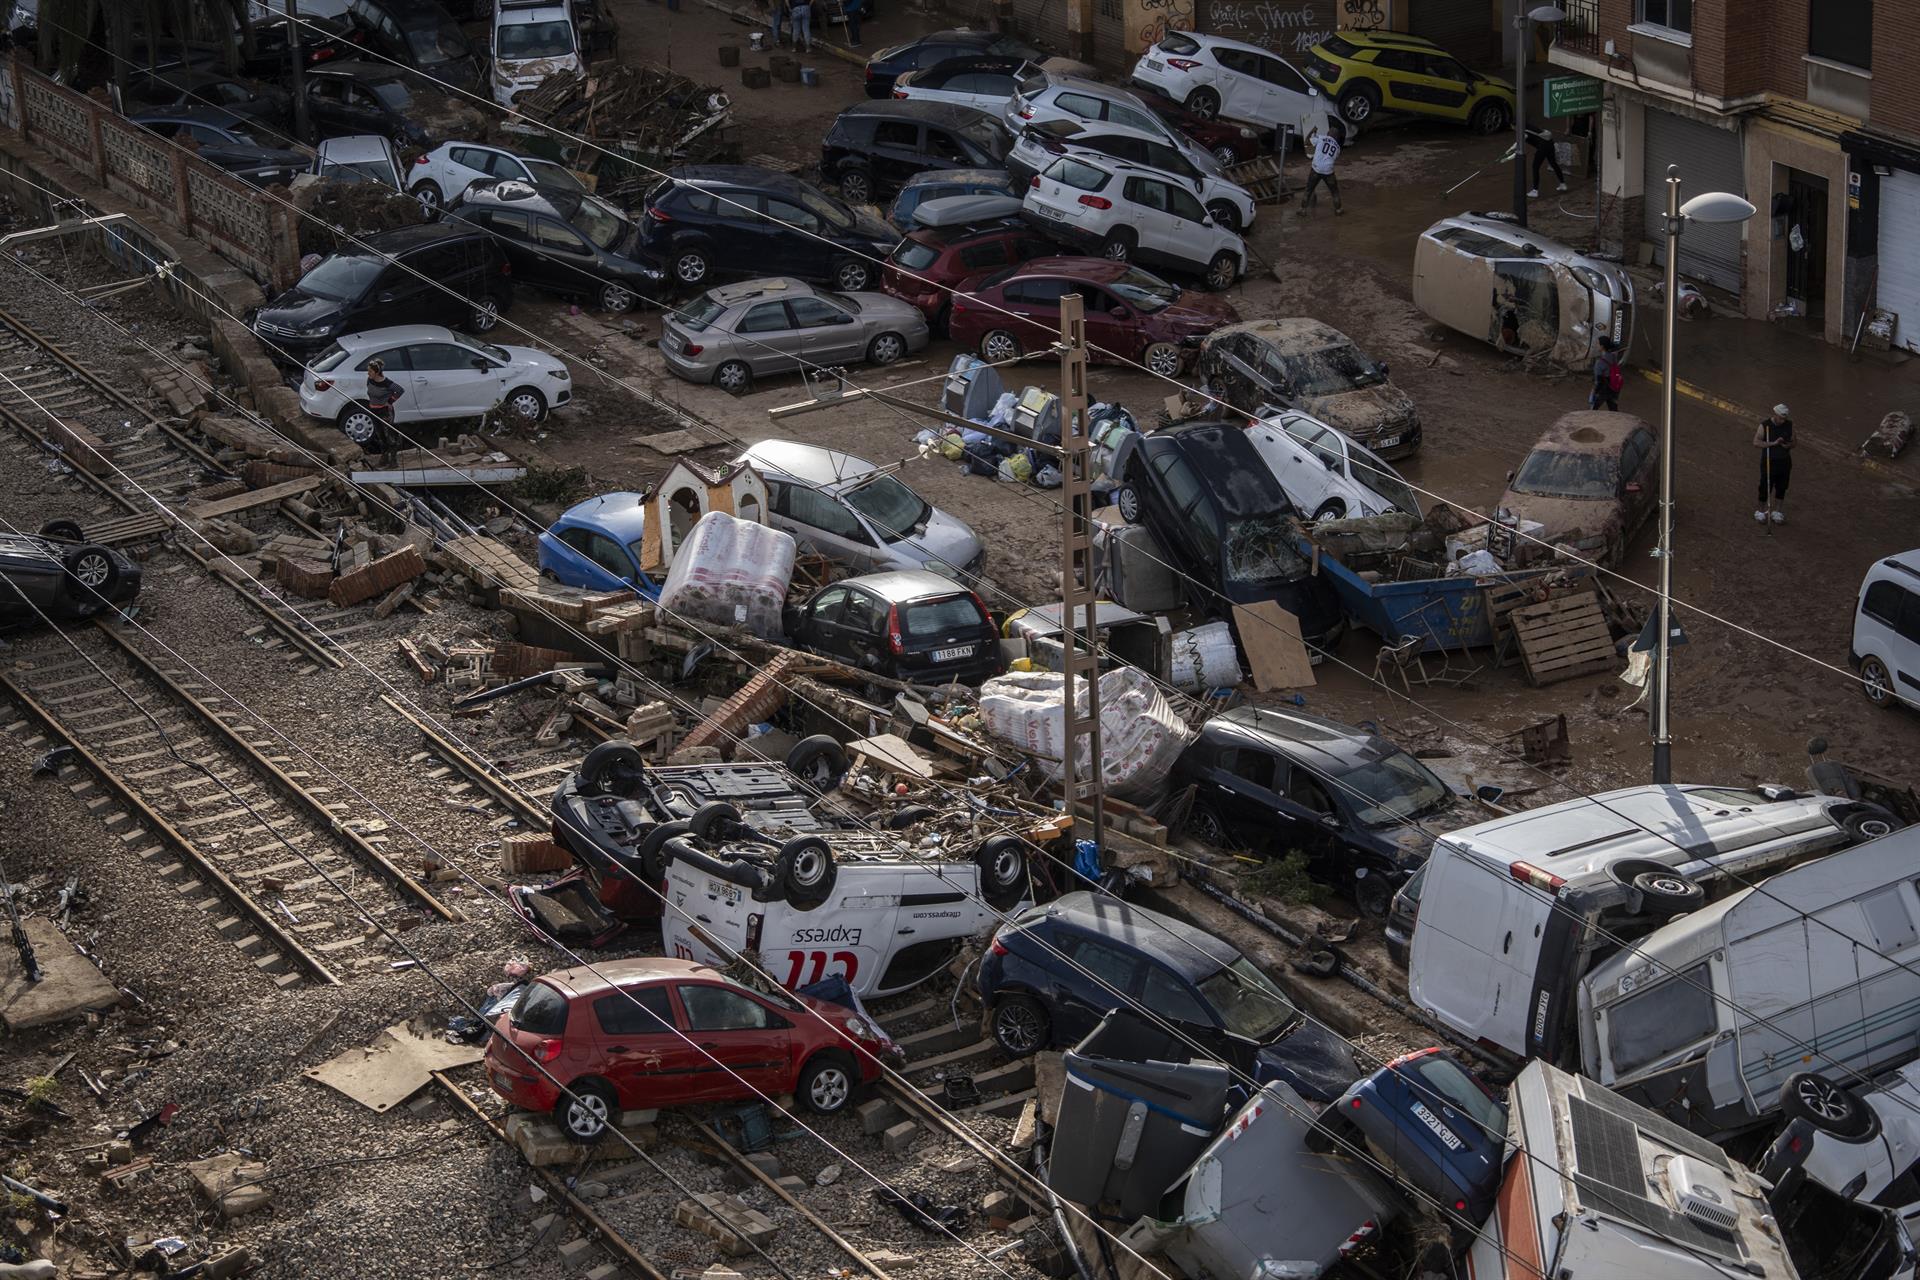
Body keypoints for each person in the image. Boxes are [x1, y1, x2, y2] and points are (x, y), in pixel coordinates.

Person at [1754, 403, 1794, 524]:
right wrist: (1773, 443)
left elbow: (1794, 443)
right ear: (1775, 414)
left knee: (1782, 487)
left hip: (1784, 462)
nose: (1783, 420)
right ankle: (1760, 511)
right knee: (1765, 487)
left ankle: (1777, 512)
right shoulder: (1765, 425)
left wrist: (1787, 445)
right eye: (1781, 418)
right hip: (1769, 461)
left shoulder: (1789, 425)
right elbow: (1756, 442)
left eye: (1784, 418)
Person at [1296, 118, 1343, 217]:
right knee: (1334, 191)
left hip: (1316, 169)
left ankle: (1302, 209)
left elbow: (1307, 142)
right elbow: (1333, 157)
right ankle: (1338, 210)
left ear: (1328, 133)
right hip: (1328, 171)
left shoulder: (1321, 138)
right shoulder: (1338, 148)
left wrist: (1312, 131)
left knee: (1309, 189)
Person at [365, 357, 405, 464]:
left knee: (389, 437)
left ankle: (393, 460)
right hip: (373, 410)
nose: (368, 373)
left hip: (384, 412)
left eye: (370, 371)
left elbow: (400, 390)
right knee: (380, 436)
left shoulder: (387, 383)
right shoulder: (370, 380)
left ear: (377, 372)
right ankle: (384, 456)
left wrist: (390, 401)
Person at [1525, 124, 1567, 199]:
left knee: (1535, 167)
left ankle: (1535, 191)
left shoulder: (1524, 133)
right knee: (1553, 163)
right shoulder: (1532, 127)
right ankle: (1562, 184)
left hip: (1542, 147)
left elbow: (1519, 144)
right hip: (1550, 144)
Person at [1589, 336, 1623, 411]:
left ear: (1602, 347)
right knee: (1613, 411)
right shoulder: (1613, 357)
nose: (1595, 345)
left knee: (1592, 411)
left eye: (1597, 344)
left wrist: (1594, 391)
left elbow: (1598, 381)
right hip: (1614, 386)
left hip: (1604, 388)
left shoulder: (1600, 362)